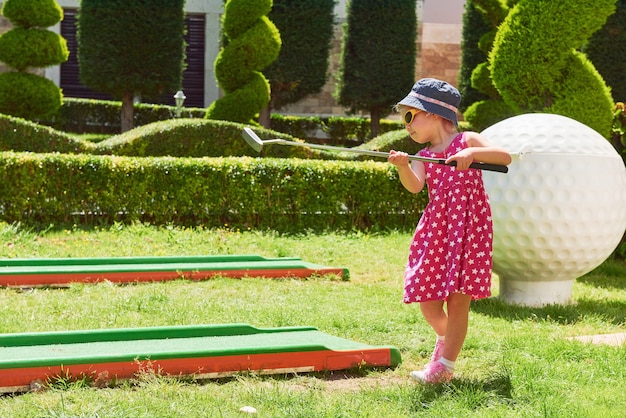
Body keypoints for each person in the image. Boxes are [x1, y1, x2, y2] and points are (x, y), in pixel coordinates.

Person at [388, 78, 512, 384]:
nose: (407, 126)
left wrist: (472, 156)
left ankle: (445, 366)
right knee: (428, 300)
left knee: (458, 299)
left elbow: (505, 156)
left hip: (468, 227)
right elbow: (416, 187)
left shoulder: (467, 140)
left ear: (432, 113)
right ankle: (448, 340)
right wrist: (404, 166)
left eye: (409, 116)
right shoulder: (426, 154)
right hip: (437, 229)